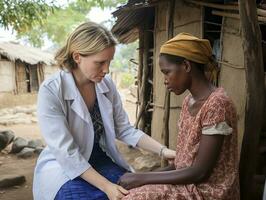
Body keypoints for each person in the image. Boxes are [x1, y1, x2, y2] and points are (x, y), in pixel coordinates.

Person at [32, 21, 175, 200]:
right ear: (77, 57)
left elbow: (124, 129)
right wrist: (107, 186)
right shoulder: (52, 90)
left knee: (134, 194)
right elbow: (67, 153)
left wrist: (164, 151)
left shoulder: (106, 86)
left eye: (109, 62)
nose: (106, 70)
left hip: (99, 159)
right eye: (100, 63)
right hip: (63, 166)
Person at [118, 33, 240, 200]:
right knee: (128, 192)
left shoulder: (217, 104)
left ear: (186, 66)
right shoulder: (188, 102)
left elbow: (200, 172)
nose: (165, 80)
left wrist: (141, 177)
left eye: (167, 72)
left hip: (208, 191)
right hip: (188, 183)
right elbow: (181, 163)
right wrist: (144, 179)